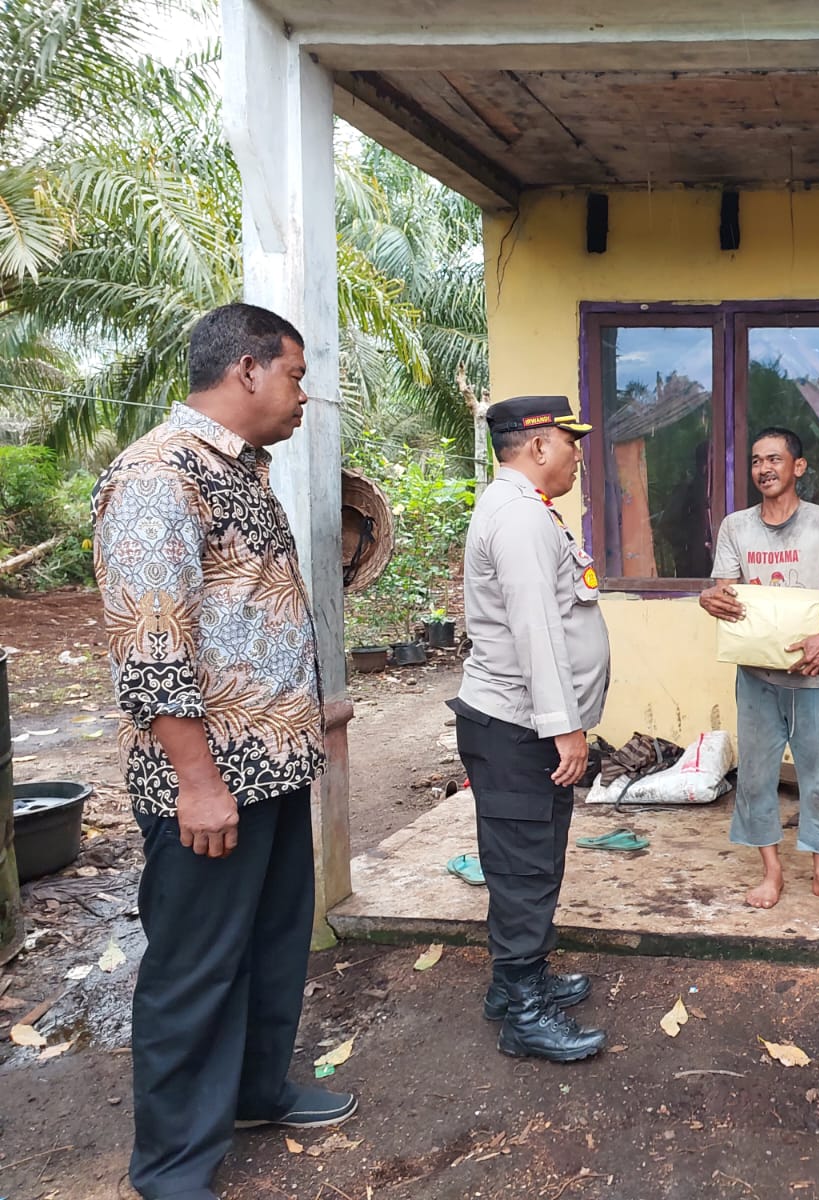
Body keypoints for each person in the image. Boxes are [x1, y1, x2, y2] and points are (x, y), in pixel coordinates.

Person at [92, 303, 354, 1200]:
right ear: (247, 369)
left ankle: (255, 1093)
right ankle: (172, 1166)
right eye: (294, 375)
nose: (303, 395)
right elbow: (151, 642)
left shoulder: (240, 470)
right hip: (211, 783)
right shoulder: (158, 476)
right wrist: (197, 782)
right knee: (196, 967)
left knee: (274, 945)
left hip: (274, 766)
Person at [451, 395, 610, 1063]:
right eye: (571, 443)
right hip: (520, 727)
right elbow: (535, 631)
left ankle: (517, 982)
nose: (577, 457)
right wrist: (564, 727)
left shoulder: (525, 509)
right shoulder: (519, 517)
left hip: (518, 724)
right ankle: (525, 1014)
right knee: (524, 868)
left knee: (531, 860)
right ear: (539, 444)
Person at [699, 427, 819, 910]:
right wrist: (709, 598)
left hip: (811, 671)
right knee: (755, 776)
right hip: (756, 674)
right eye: (756, 461)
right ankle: (771, 873)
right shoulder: (736, 527)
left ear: (798, 467)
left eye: (774, 459)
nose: (764, 468)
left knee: (818, 775)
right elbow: (725, 591)